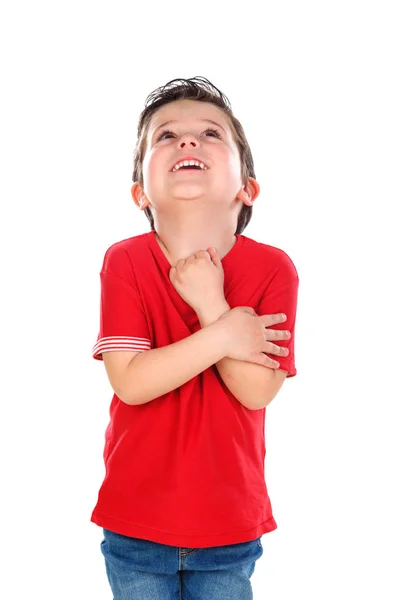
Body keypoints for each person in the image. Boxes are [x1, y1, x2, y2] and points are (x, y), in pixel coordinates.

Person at [91, 76, 299, 600]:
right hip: (134, 521)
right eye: (166, 136)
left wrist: (211, 303)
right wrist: (227, 331)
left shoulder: (274, 268)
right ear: (141, 191)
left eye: (210, 134)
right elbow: (132, 384)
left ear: (246, 187)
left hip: (230, 522)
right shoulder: (125, 261)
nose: (187, 141)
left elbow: (256, 390)